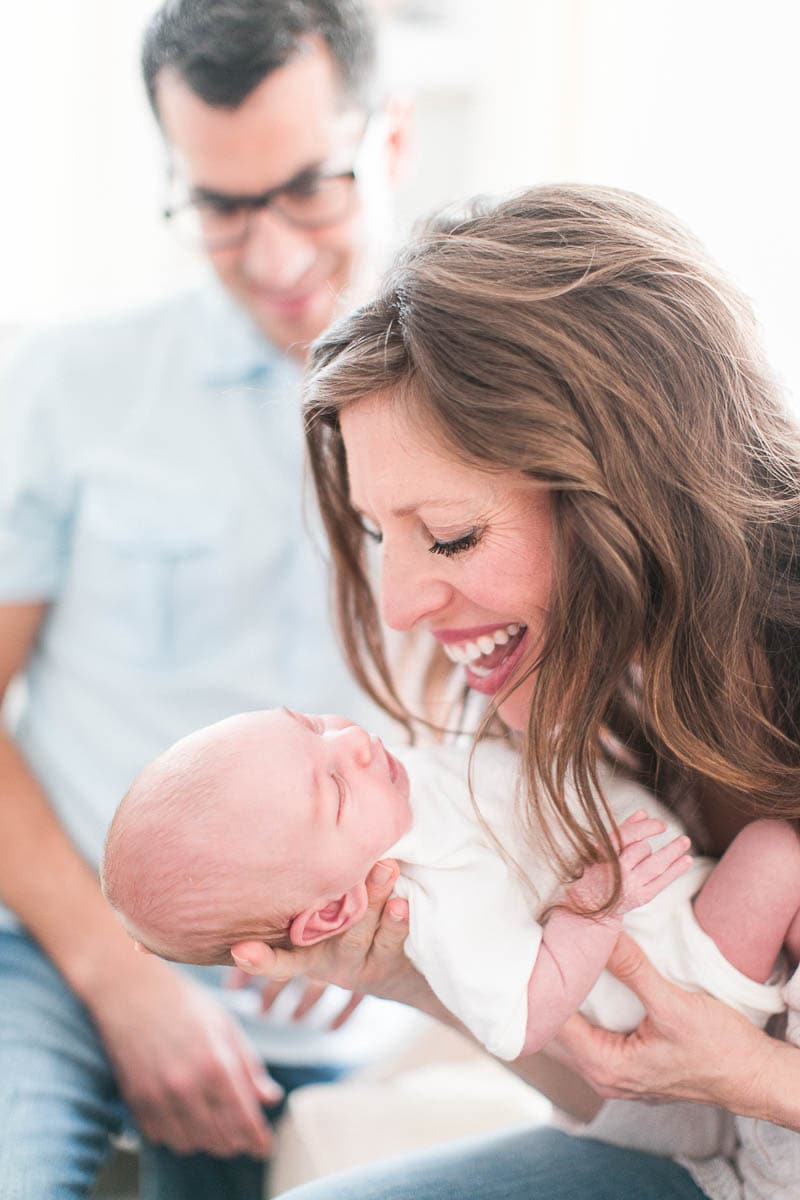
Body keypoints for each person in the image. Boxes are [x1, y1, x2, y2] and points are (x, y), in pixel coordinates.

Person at [226, 185, 800, 1199]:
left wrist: (759, 1076)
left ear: (629, 494)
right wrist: (408, 972)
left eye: (448, 534)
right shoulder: (591, 705)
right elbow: (674, 1121)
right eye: (376, 535)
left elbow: (728, 1098)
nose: (398, 604)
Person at [0, 2, 414, 1198]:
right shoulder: (72, 385)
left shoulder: (488, 408)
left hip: (338, 1010)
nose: (276, 255)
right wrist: (124, 979)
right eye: (223, 209)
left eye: (311, 190)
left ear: (387, 144)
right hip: (62, 959)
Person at [103, 707, 732, 1062]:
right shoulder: (432, 900)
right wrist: (593, 910)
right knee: (779, 854)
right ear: (332, 911)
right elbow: (521, 1021)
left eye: (312, 725)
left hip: (675, 850)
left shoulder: (395, 791)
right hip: (694, 960)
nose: (354, 741)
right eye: (337, 786)